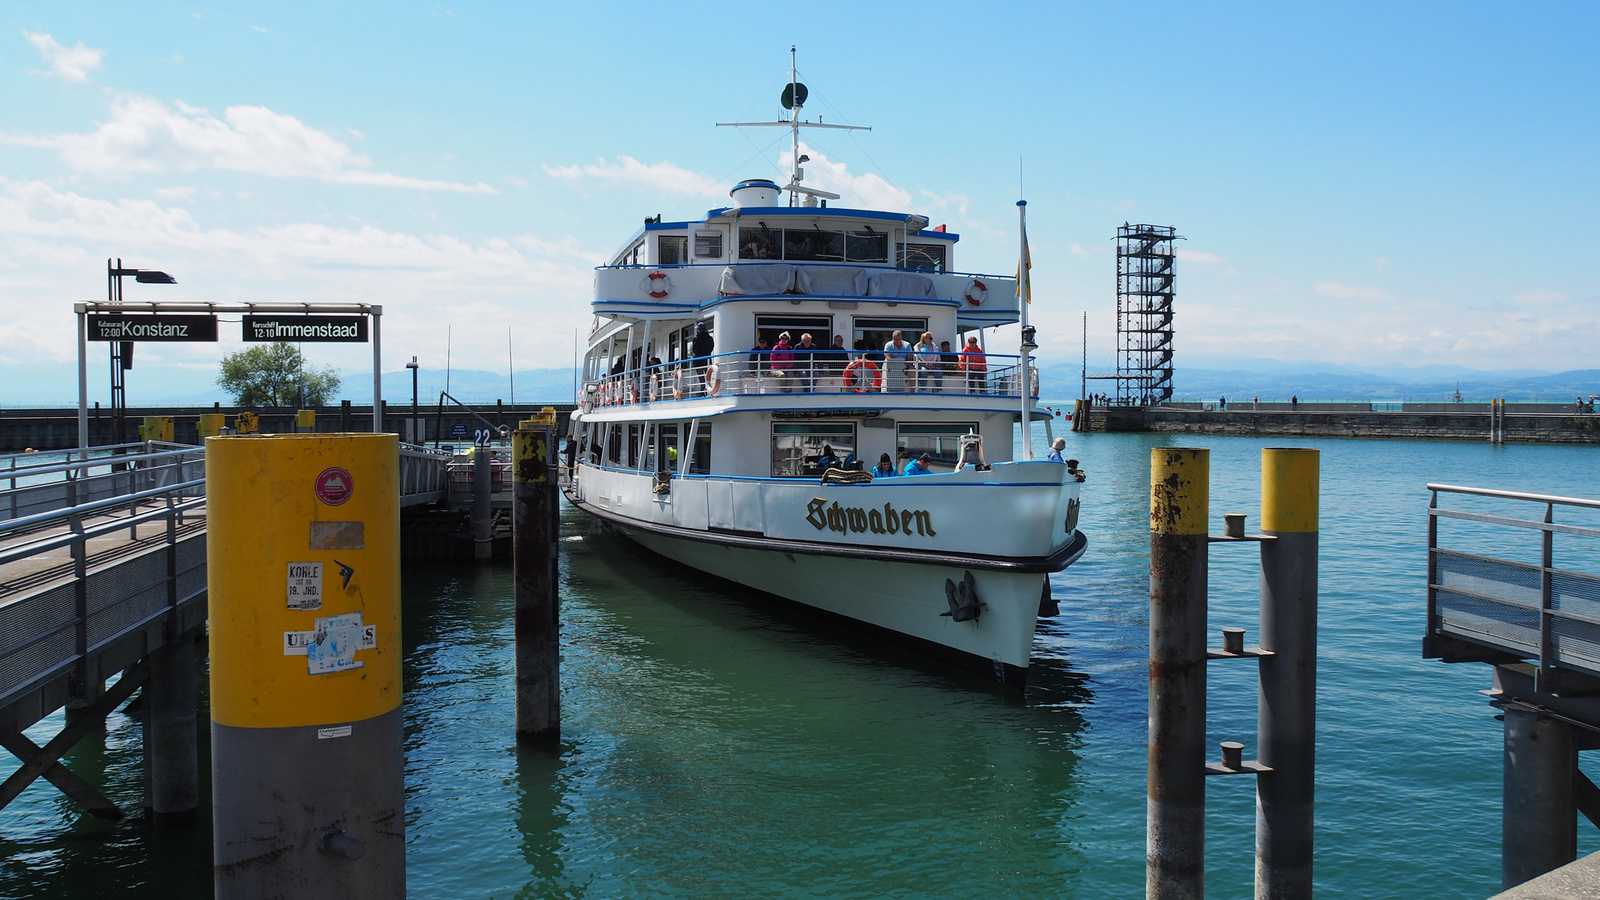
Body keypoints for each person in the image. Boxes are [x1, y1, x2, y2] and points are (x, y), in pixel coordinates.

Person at [691, 323, 714, 395]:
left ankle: (702, 389)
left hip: (698, 361)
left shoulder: (696, 339)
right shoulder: (710, 338)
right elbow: (711, 348)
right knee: (708, 376)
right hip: (707, 360)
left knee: (701, 377)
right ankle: (709, 390)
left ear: (699, 330)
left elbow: (694, 350)